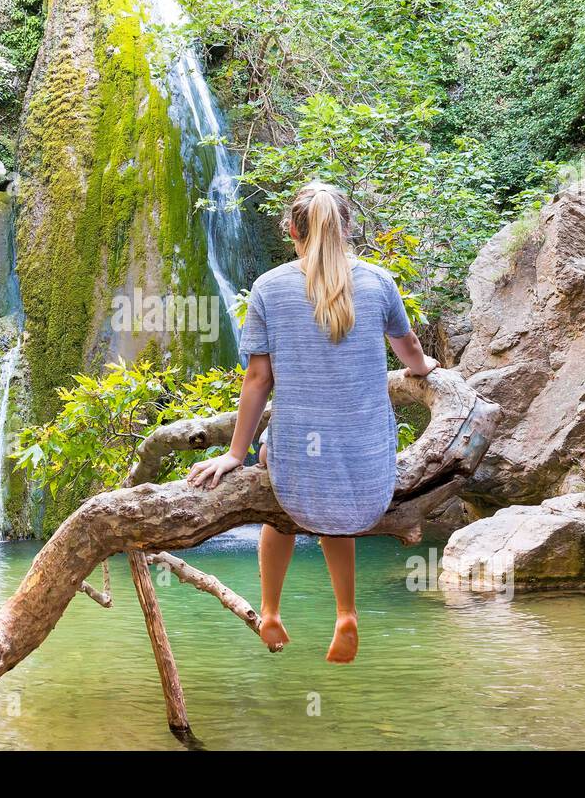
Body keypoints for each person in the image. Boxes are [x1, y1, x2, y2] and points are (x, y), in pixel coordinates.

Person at [186, 182, 439, 663]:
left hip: (298, 465)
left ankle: (270, 609)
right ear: (346, 228)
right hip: (367, 465)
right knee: (335, 503)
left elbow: (258, 379)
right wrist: (425, 372)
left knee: (276, 497)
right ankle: (346, 611)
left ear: (291, 232)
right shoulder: (378, 282)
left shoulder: (270, 288)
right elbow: (409, 352)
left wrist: (235, 454)